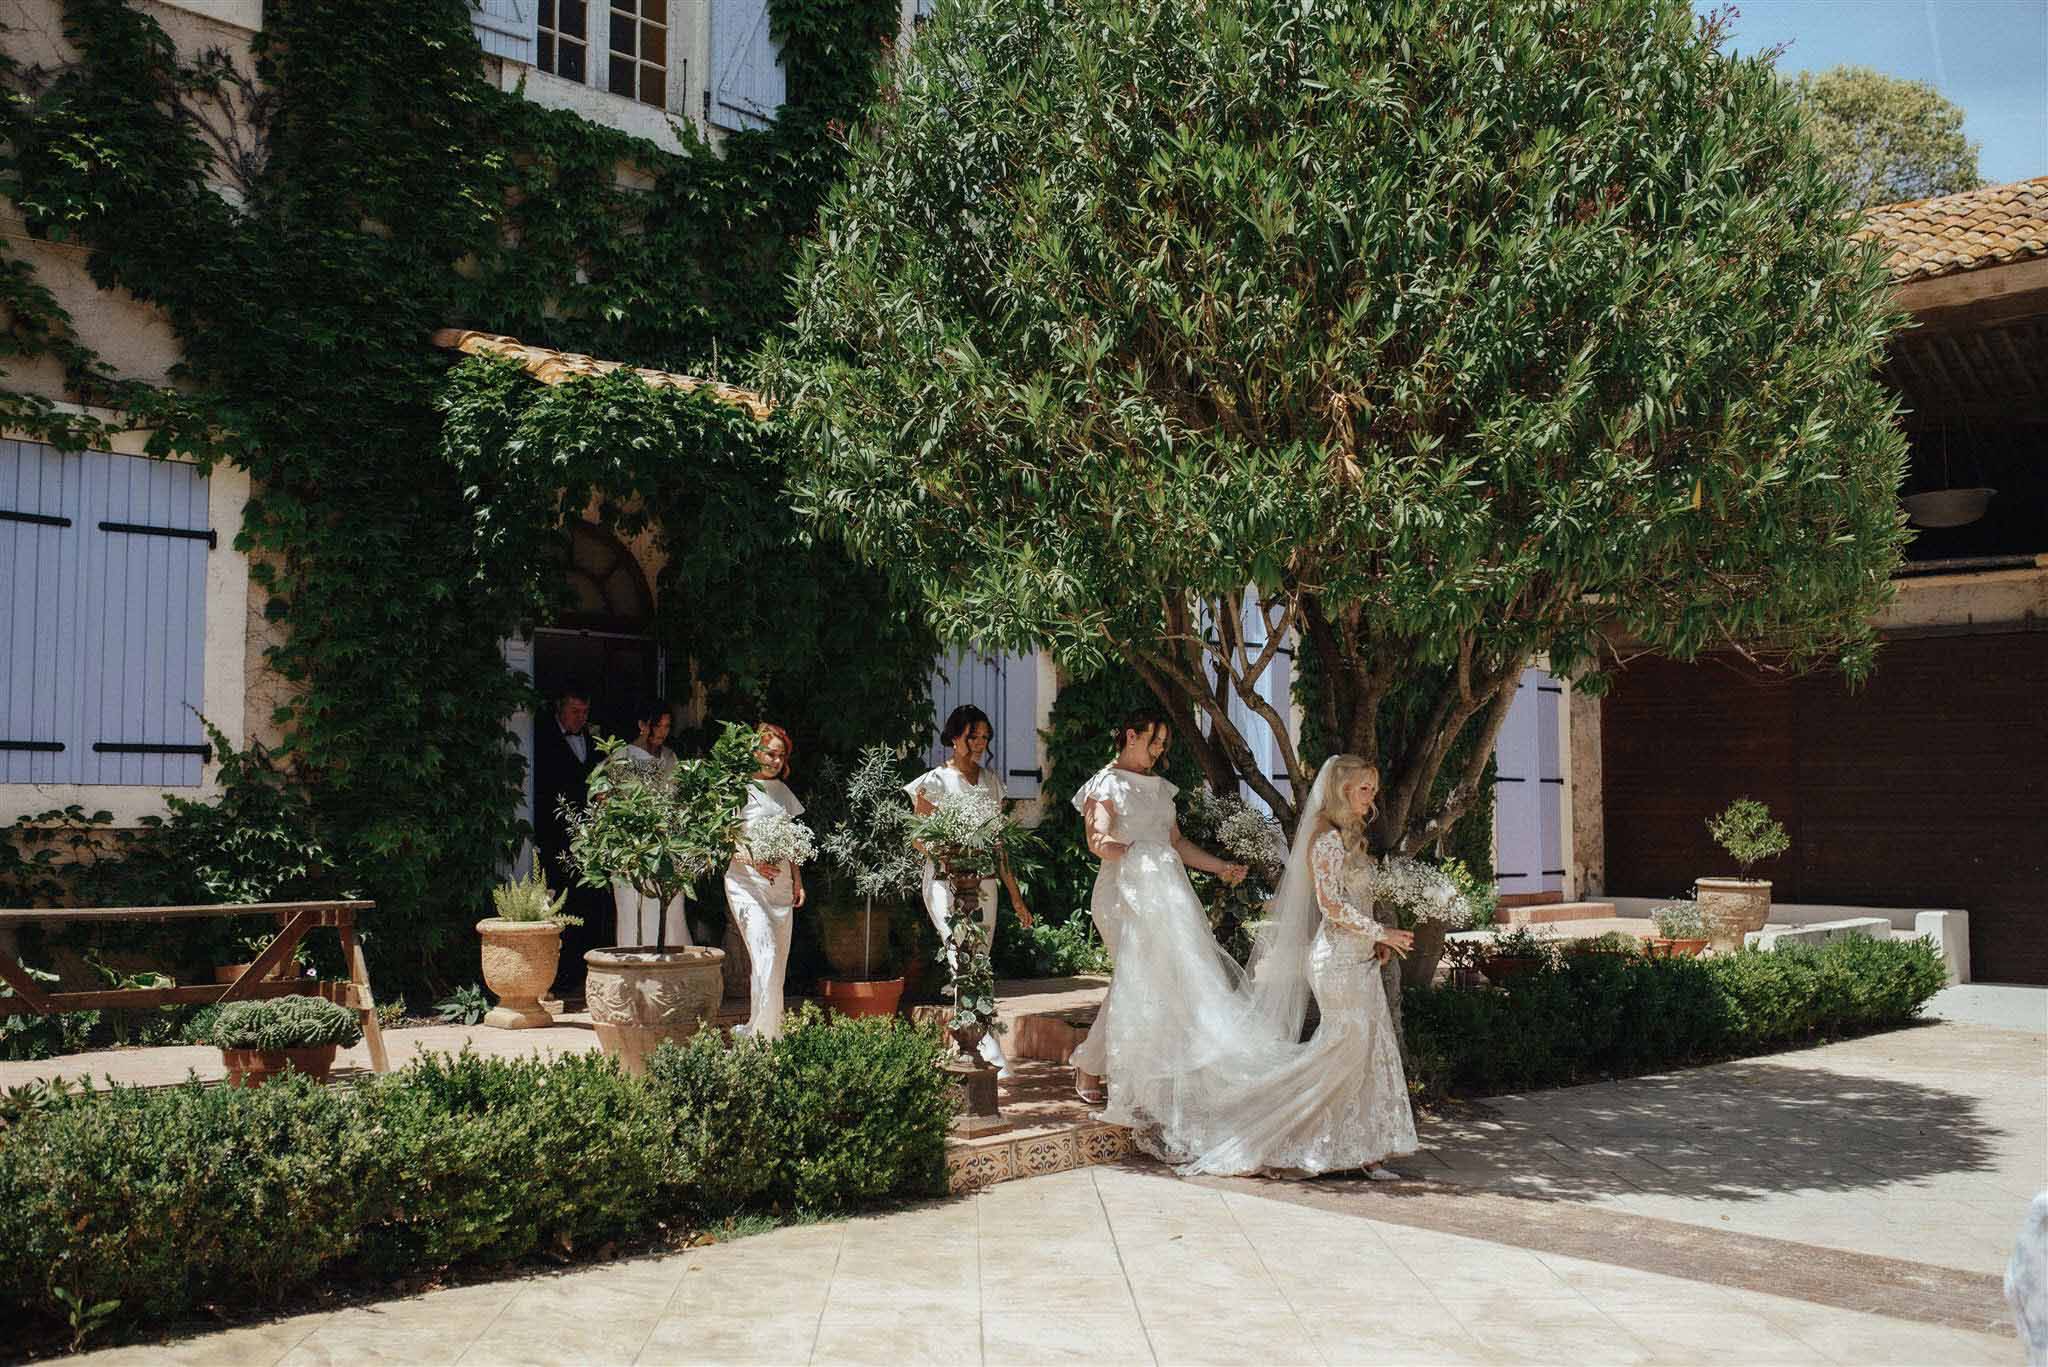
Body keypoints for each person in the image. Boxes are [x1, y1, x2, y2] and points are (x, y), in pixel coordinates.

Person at [1068, 707, 1248, 1104]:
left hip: (1165, 894)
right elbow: (1097, 841)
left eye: (1164, 744)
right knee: (1134, 976)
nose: (1159, 750)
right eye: (1154, 742)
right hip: (1120, 893)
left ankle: (1111, 1066)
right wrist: (1135, 853)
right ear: (1131, 735)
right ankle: (1093, 1065)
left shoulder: (1161, 788)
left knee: (1158, 979)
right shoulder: (1105, 784)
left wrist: (1221, 867)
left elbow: (1177, 843)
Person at [906, 704, 1034, 1075]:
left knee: (980, 957)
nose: (979, 743)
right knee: (959, 953)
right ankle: (983, 1045)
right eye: (972, 736)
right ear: (954, 736)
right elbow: (919, 838)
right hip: (945, 882)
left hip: (985, 882)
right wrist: (950, 853)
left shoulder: (992, 783)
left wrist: (1016, 896)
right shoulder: (934, 781)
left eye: (985, 738)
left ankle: (974, 1040)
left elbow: (1000, 845)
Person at [724, 723, 805, 1039]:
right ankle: (765, 1036)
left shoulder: (783, 792)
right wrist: (754, 861)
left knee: (774, 966)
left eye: (780, 756)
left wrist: (798, 880)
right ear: (755, 752)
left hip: (781, 889)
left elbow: (793, 841)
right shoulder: (737, 789)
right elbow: (726, 838)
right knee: (766, 955)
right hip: (746, 885)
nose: (775, 761)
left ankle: (765, 1031)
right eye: (770, 753)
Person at [533, 680, 606, 977]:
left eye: (585, 711)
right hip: (555, 836)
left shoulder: (593, 740)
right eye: (575, 711)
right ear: (560, 710)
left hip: (587, 837)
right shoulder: (541, 738)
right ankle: (559, 974)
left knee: (587, 901)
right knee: (558, 903)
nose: (581, 717)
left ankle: (583, 968)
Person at [608, 696, 688, 948]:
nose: (663, 732)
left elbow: (678, 797)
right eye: (659, 726)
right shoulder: (622, 756)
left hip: (664, 842)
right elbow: (607, 797)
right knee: (630, 906)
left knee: (668, 906)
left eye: (667, 727)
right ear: (643, 725)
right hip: (630, 843)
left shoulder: (669, 757)